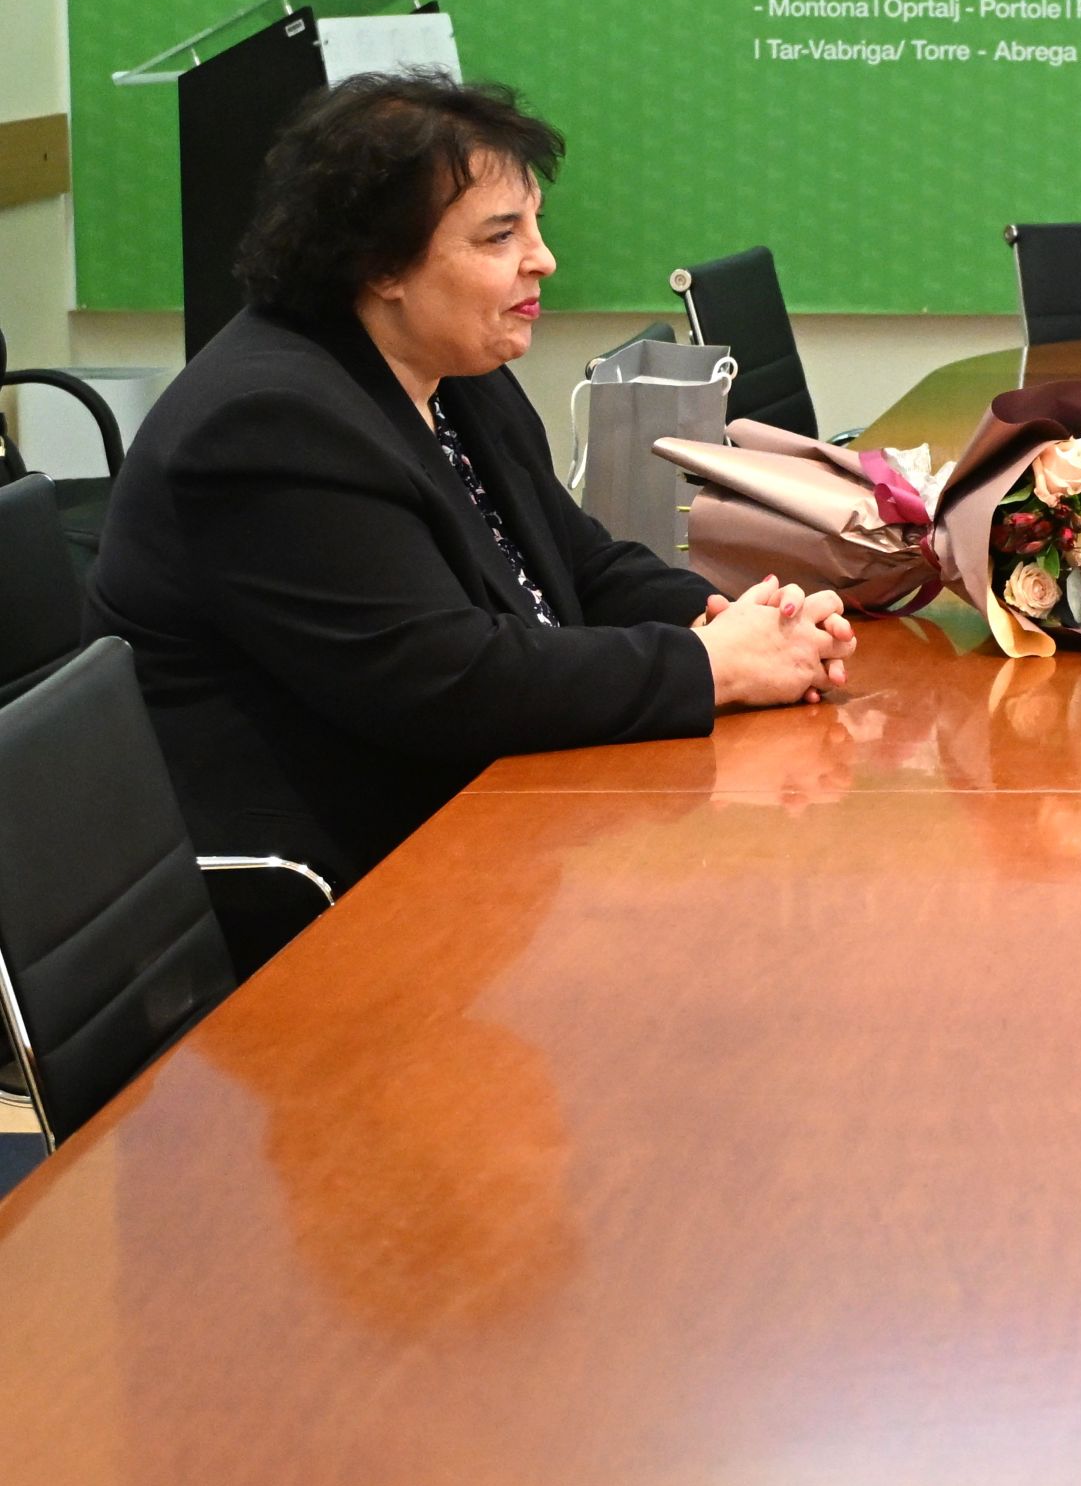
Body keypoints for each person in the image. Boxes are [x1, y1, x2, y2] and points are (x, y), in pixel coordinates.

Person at [87, 72, 853, 947]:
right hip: (324, 899)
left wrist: (743, 619)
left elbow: (578, 563)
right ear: (381, 264)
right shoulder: (268, 424)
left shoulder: (451, 367)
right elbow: (448, 681)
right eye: (500, 235)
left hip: (481, 824)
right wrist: (711, 666)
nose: (543, 259)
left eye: (535, 225)